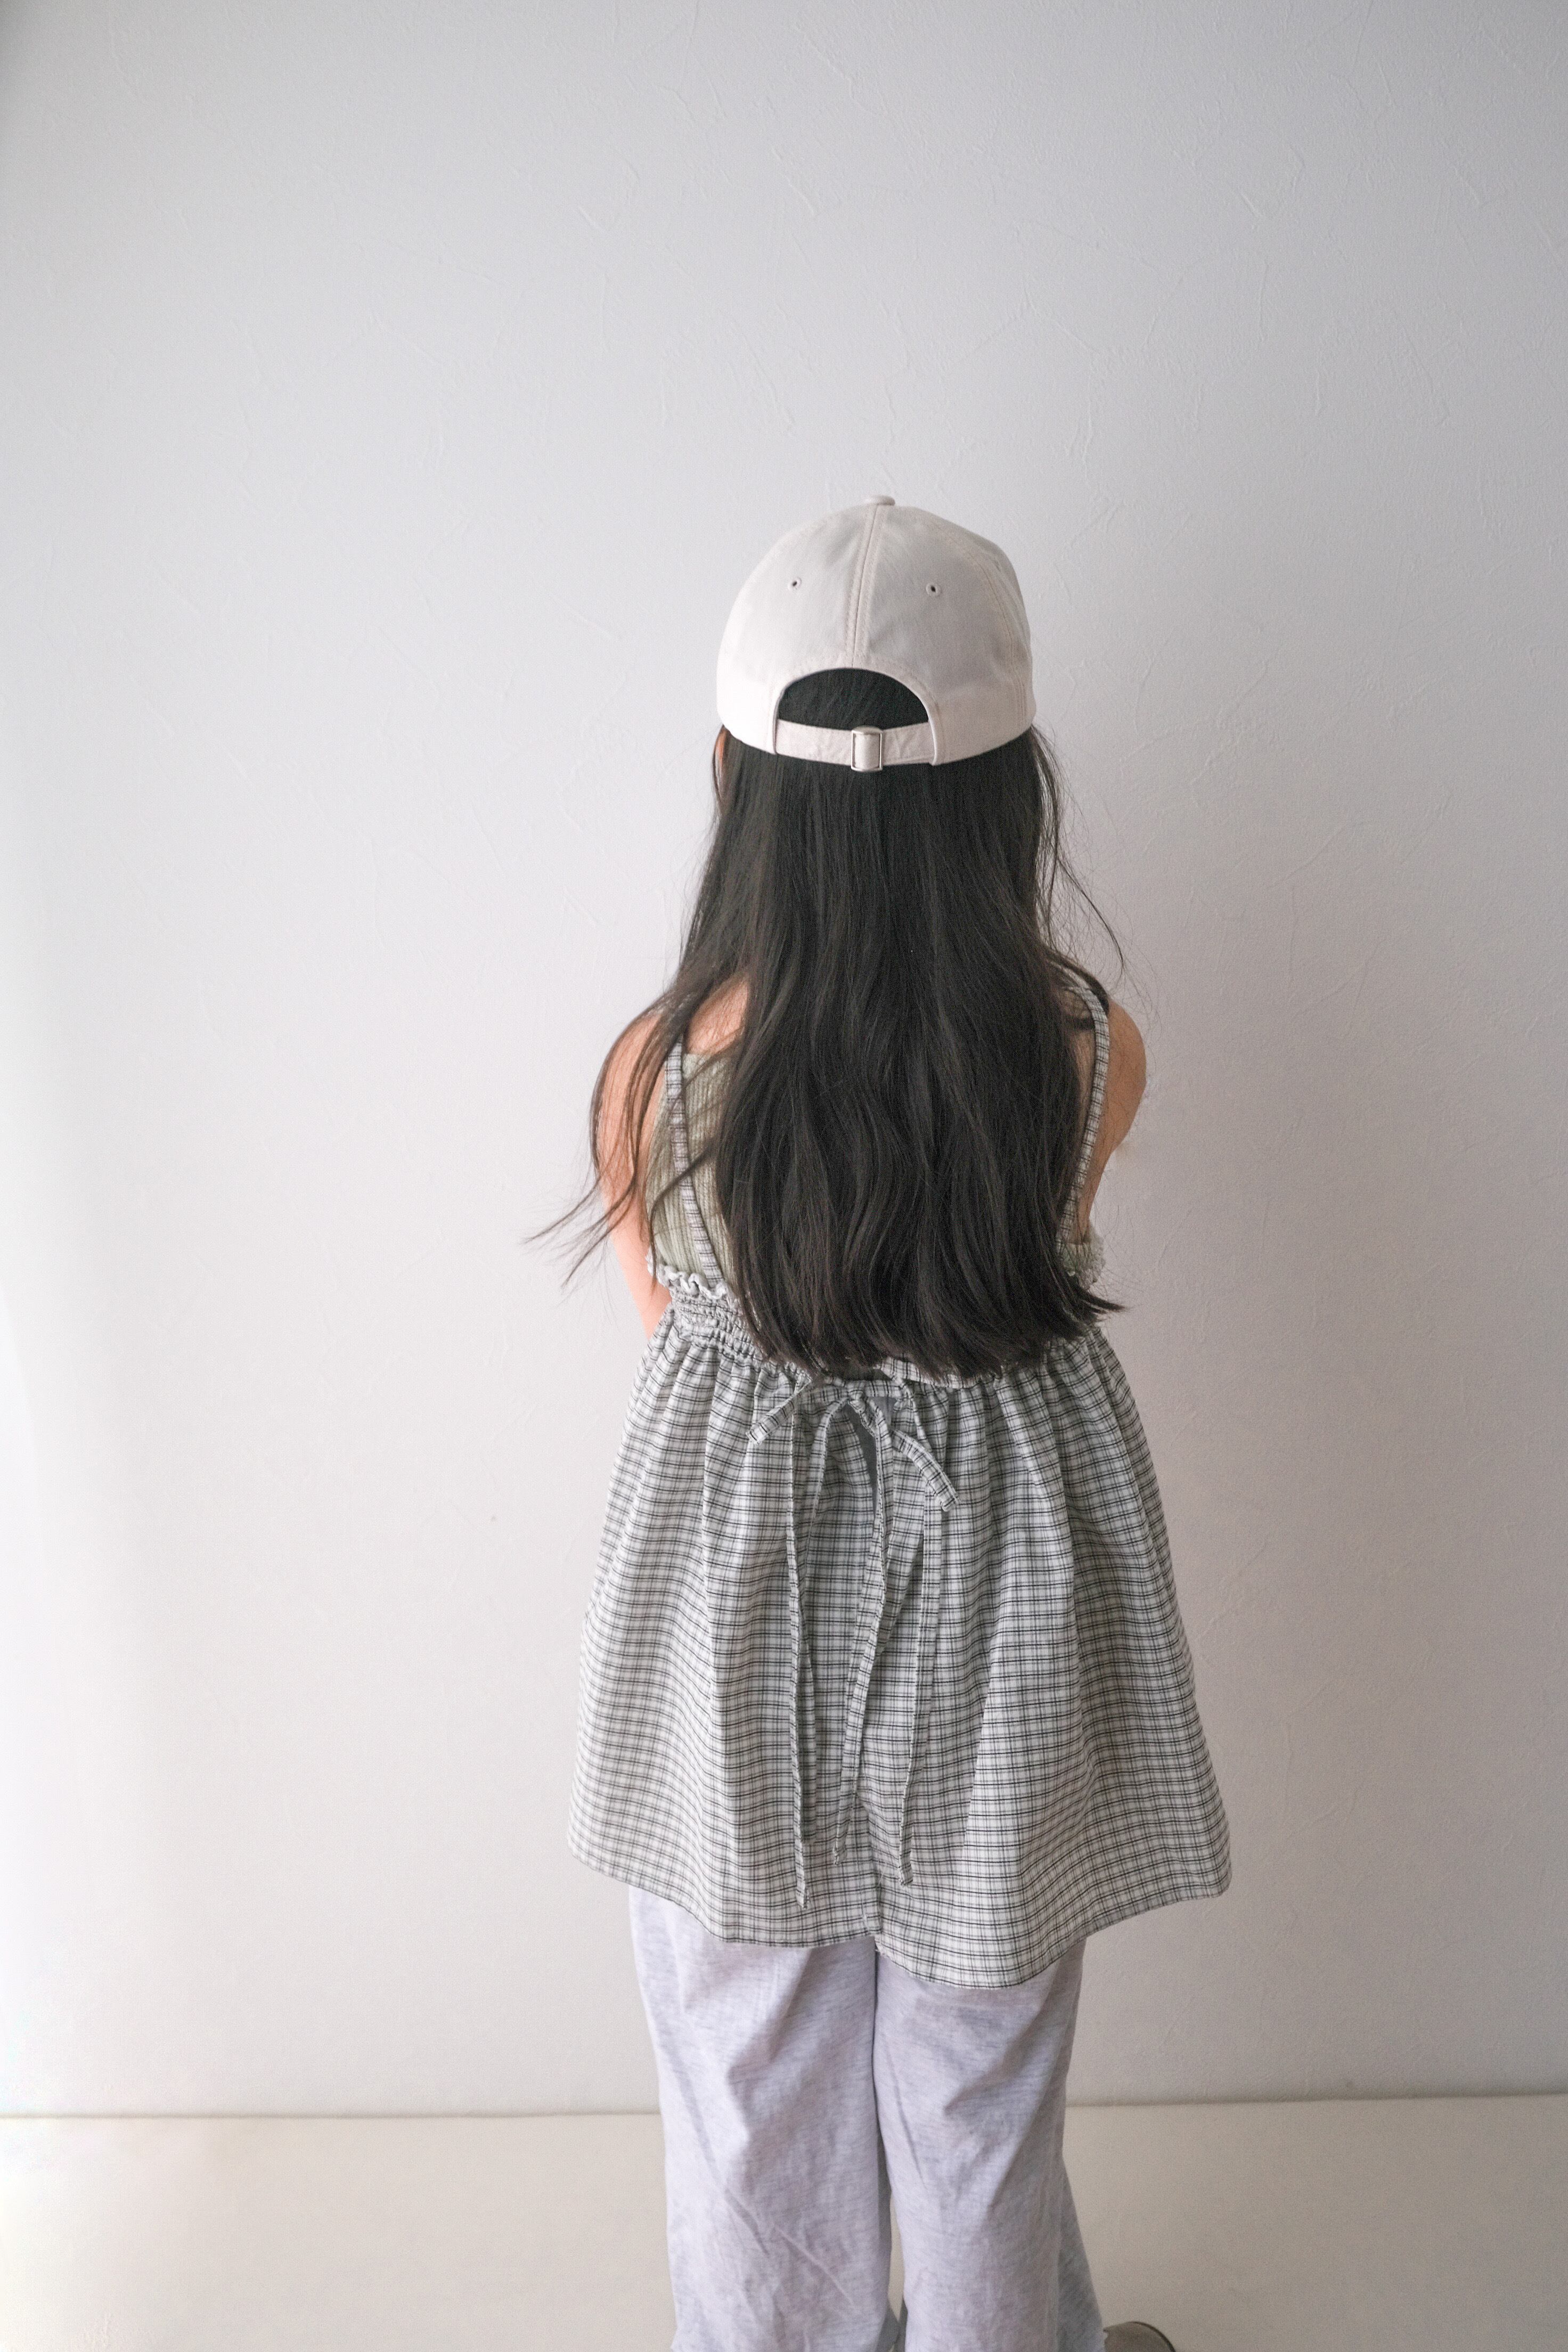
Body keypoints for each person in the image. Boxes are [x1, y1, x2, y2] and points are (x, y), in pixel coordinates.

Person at [556, 496, 1230, 2352]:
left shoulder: (652, 1078)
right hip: (998, 1644)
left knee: (749, 2085)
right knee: (978, 2091)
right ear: (1009, 797)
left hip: (738, 1645)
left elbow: (680, 1345)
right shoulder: (1087, 1053)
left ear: (731, 781)